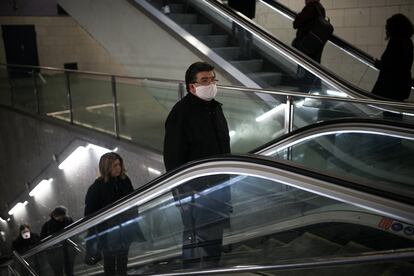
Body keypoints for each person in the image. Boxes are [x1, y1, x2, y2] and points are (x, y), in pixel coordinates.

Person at [163, 61, 232, 268]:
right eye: (204, 80)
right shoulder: (180, 114)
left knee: (214, 240)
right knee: (197, 242)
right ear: (191, 86)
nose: (210, 84)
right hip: (196, 194)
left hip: (219, 188)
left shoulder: (215, 108)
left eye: (212, 79)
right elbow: (173, 159)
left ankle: (211, 267)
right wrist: (182, 197)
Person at [84, 152, 144, 276]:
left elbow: (133, 201)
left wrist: (133, 218)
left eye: (119, 165)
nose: (118, 168)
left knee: (123, 262)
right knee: (109, 265)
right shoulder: (96, 187)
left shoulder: (125, 180)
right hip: (107, 233)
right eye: (114, 165)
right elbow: (89, 214)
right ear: (106, 167)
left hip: (125, 229)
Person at [372, 13, 413, 102]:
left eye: (388, 27)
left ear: (394, 28)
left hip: (390, 87)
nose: (386, 29)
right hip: (401, 87)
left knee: (386, 112)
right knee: (393, 112)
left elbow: (392, 66)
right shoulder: (408, 41)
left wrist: (379, 65)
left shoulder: (396, 41)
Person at [292, 0, 327, 92]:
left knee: (304, 69)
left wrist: (298, 16)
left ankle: (303, 92)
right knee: (315, 69)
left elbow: (296, 24)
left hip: (305, 45)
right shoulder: (320, 8)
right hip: (315, 46)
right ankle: (317, 93)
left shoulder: (310, 8)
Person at [40, 206, 76, 276]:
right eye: (60, 217)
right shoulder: (47, 225)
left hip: (65, 251)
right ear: (55, 215)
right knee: (61, 272)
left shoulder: (67, 220)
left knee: (66, 272)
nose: (61, 219)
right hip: (57, 252)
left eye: (63, 217)